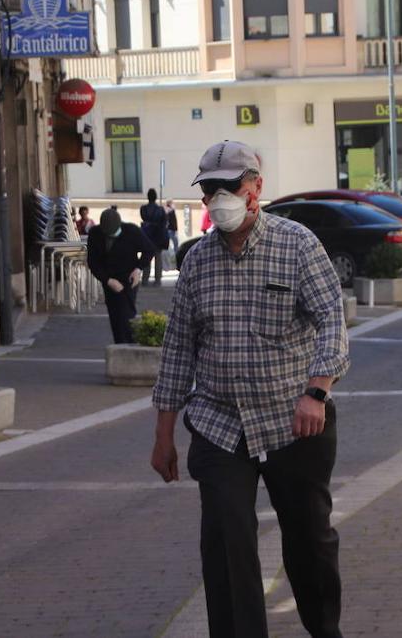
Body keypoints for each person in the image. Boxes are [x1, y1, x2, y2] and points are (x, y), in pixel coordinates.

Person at [151, 140, 350, 638]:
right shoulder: (196, 262)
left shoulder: (298, 245)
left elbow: (332, 322)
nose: (219, 198)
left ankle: (325, 630)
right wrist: (163, 435)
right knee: (226, 541)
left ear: (256, 188)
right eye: (210, 190)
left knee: (309, 542)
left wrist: (317, 392)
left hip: (294, 420)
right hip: (220, 424)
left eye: (230, 187)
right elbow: (178, 350)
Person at [86, 208, 155, 344]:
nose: (111, 237)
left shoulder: (132, 231)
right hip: (109, 278)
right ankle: (119, 344)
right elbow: (93, 262)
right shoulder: (95, 234)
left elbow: (149, 250)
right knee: (114, 314)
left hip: (128, 278)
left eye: (114, 234)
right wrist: (107, 280)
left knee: (126, 314)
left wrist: (138, 269)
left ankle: (129, 344)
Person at [139, 189, 170, 285]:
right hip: (157, 237)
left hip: (147, 236)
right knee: (158, 259)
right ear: (155, 197)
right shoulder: (160, 210)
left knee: (146, 258)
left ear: (148, 197)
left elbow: (143, 218)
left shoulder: (143, 209)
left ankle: (145, 279)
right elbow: (165, 222)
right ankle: (157, 280)